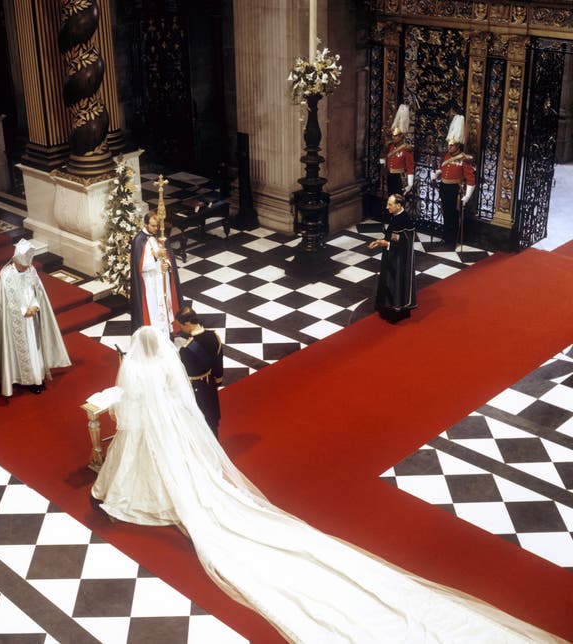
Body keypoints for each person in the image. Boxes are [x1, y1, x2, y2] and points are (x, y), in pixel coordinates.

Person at [91, 326, 559, 643]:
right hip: (177, 422)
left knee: (157, 468)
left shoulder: (135, 367)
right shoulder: (167, 362)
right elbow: (183, 397)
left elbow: (130, 408)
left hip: (157, 427)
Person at [0, 238, 71, 396]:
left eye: (28, 265)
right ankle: (15, 377)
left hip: (32, 319)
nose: (27, 268)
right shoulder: (6, 276)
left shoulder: (30, 269)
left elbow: (35, 290)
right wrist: (23, 310)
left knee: (34, 347)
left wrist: (35, 306)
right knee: (15, 349)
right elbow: (5, 301)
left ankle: (35, 379)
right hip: (15, 321)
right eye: (23, 266)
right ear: (17, 260)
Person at [130, 211, 182, 336]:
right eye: (153, 226)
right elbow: (140, 266)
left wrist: (167, 265)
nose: (156, 228)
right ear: (146, 224)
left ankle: (167, 332)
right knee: (154, 309)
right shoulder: (139, 241)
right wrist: (155, 257)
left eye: (157, 226)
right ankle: (155, 335)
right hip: (149, 282)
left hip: (162, 277)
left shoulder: (160, 235)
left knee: (165, 306)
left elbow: (169, 257)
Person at [175, 305, 223, 437]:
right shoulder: (214, 336)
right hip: (210, 385)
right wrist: (217, 381)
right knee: (212, 419)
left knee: (200, 423)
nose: (180, 328)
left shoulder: (186, 349)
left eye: (181, 325)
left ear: (188, 323)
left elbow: (183, 374)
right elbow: (218, 363)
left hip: (196, 388)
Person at [369, 193, 417, 323]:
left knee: (395, 283)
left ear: (399, 205)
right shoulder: (396, 216)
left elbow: (402, 242)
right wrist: (381, 241)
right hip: (392, 256)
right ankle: (387, 307)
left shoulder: (403, 219)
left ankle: (395, 312)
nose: (387, 207)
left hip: (399, 260)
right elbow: (393, 236)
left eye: (390, 204)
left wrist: (384, 243)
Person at [431, 114, 476, 250]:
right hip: (444, 187)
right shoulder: (445, 155)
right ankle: (445, 237)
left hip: (455, 190)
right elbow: (443, 169)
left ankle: (452, 241)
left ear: (458, 145)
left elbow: (470, 179)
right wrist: (437, 174)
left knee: (454, 216)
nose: (449, 147)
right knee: (445, 213)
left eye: (452, 145)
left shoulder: (464, 159)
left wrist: (467, 196)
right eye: (449, 145)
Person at [380, 104, 414, 198]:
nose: (393, 137)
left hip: (399, 177)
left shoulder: (407, 149)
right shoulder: (389, 146)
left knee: (398, 201)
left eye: (395, 136)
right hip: (390, 175)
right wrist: (382, 166)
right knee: (390, 199)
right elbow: (383, 155)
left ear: (401, 136)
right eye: (393, 136)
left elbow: (410, 167)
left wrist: (410, 184)